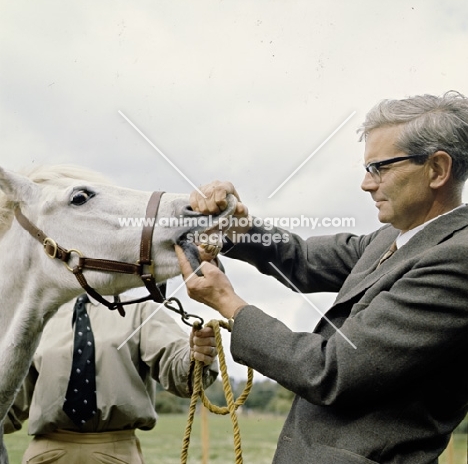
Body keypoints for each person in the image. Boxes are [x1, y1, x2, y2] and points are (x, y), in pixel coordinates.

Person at [175, 91, 468, 463]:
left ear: (438, 170)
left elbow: (333, 370)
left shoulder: (457, 259)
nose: (366, 184)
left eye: (380, 167)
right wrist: (236, 225)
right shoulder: (392, 238)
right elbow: (300, 258)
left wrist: (229, 304)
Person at [4, 294, 218, 464]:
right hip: (45, 456)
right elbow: (11, 401)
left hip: (116, 454)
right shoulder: (39, 316)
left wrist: (196, 355)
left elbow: (180, 370)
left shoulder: (140, 311)